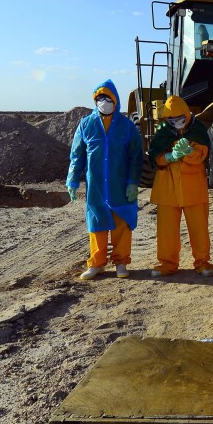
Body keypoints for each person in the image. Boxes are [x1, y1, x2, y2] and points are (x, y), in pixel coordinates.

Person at [66, 79, 143, 280]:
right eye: (100, 98)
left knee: (121, 223)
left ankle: (121, 262)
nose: (104, 102)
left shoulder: (126, 126)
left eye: (107, 98)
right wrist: (72, 179)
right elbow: (77, 155)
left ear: (115, 101)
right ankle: (97, 263)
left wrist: (133, 181)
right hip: (97, 186)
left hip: (120, 184)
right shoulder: (86, 125)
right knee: (97, 222)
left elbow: (136, 156)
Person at [148, 96, 213, 277]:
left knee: (199, 228)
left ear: (186, 113)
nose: (176, 122)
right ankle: (167, 264)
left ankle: (203, 262)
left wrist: (188, 153)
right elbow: (155, 155)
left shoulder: (198, 129)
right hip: (168, 187)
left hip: (193, 186)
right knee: (166, 231)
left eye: (179, 118)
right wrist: (169, 156)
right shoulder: (162, 130)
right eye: (171, 119)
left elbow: (202, 154)